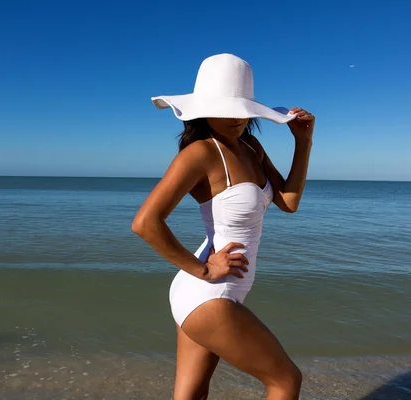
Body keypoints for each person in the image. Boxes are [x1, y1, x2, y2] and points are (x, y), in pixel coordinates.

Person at [132, 53, 314, 400]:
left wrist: (302, 142)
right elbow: (145, 223)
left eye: (242, 110)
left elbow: (288, 203)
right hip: (207, 294)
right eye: (225, 108)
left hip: (211, 293)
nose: (236, 119)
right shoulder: (200, 153)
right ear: (203, 108)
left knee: (191, 395)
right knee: (286, 381)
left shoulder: (250, 146)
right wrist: (203, 269)